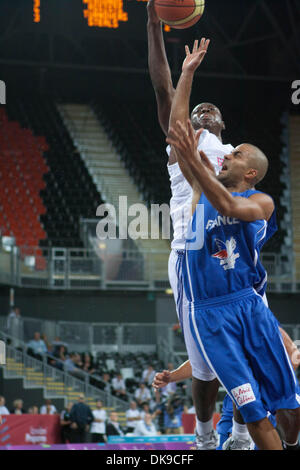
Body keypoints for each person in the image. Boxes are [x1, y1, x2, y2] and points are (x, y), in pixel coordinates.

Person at [166, 48, 300, 449]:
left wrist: (198, 164)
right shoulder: (197, 186)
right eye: (229, 151)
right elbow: (177, 127)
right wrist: (187, 73)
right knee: (255, 411)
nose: (228, 155)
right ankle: (217, 438)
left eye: (236, 153)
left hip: (248, 299)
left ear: (251, 171)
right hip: (211, 309)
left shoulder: (260, 202)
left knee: (289, 407)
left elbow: (227, 204)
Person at [147, 1, 233, 449]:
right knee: (204, 365)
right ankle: (202, 439)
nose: (204, 110)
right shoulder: (182, 137)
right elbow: (164, 90)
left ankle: (237, 433)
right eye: (197, 108)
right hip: (191, 247)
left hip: (232, 252)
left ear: (223, 125)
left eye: (210, 110)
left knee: (244, 346)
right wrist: (152, 25)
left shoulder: (237, 155)